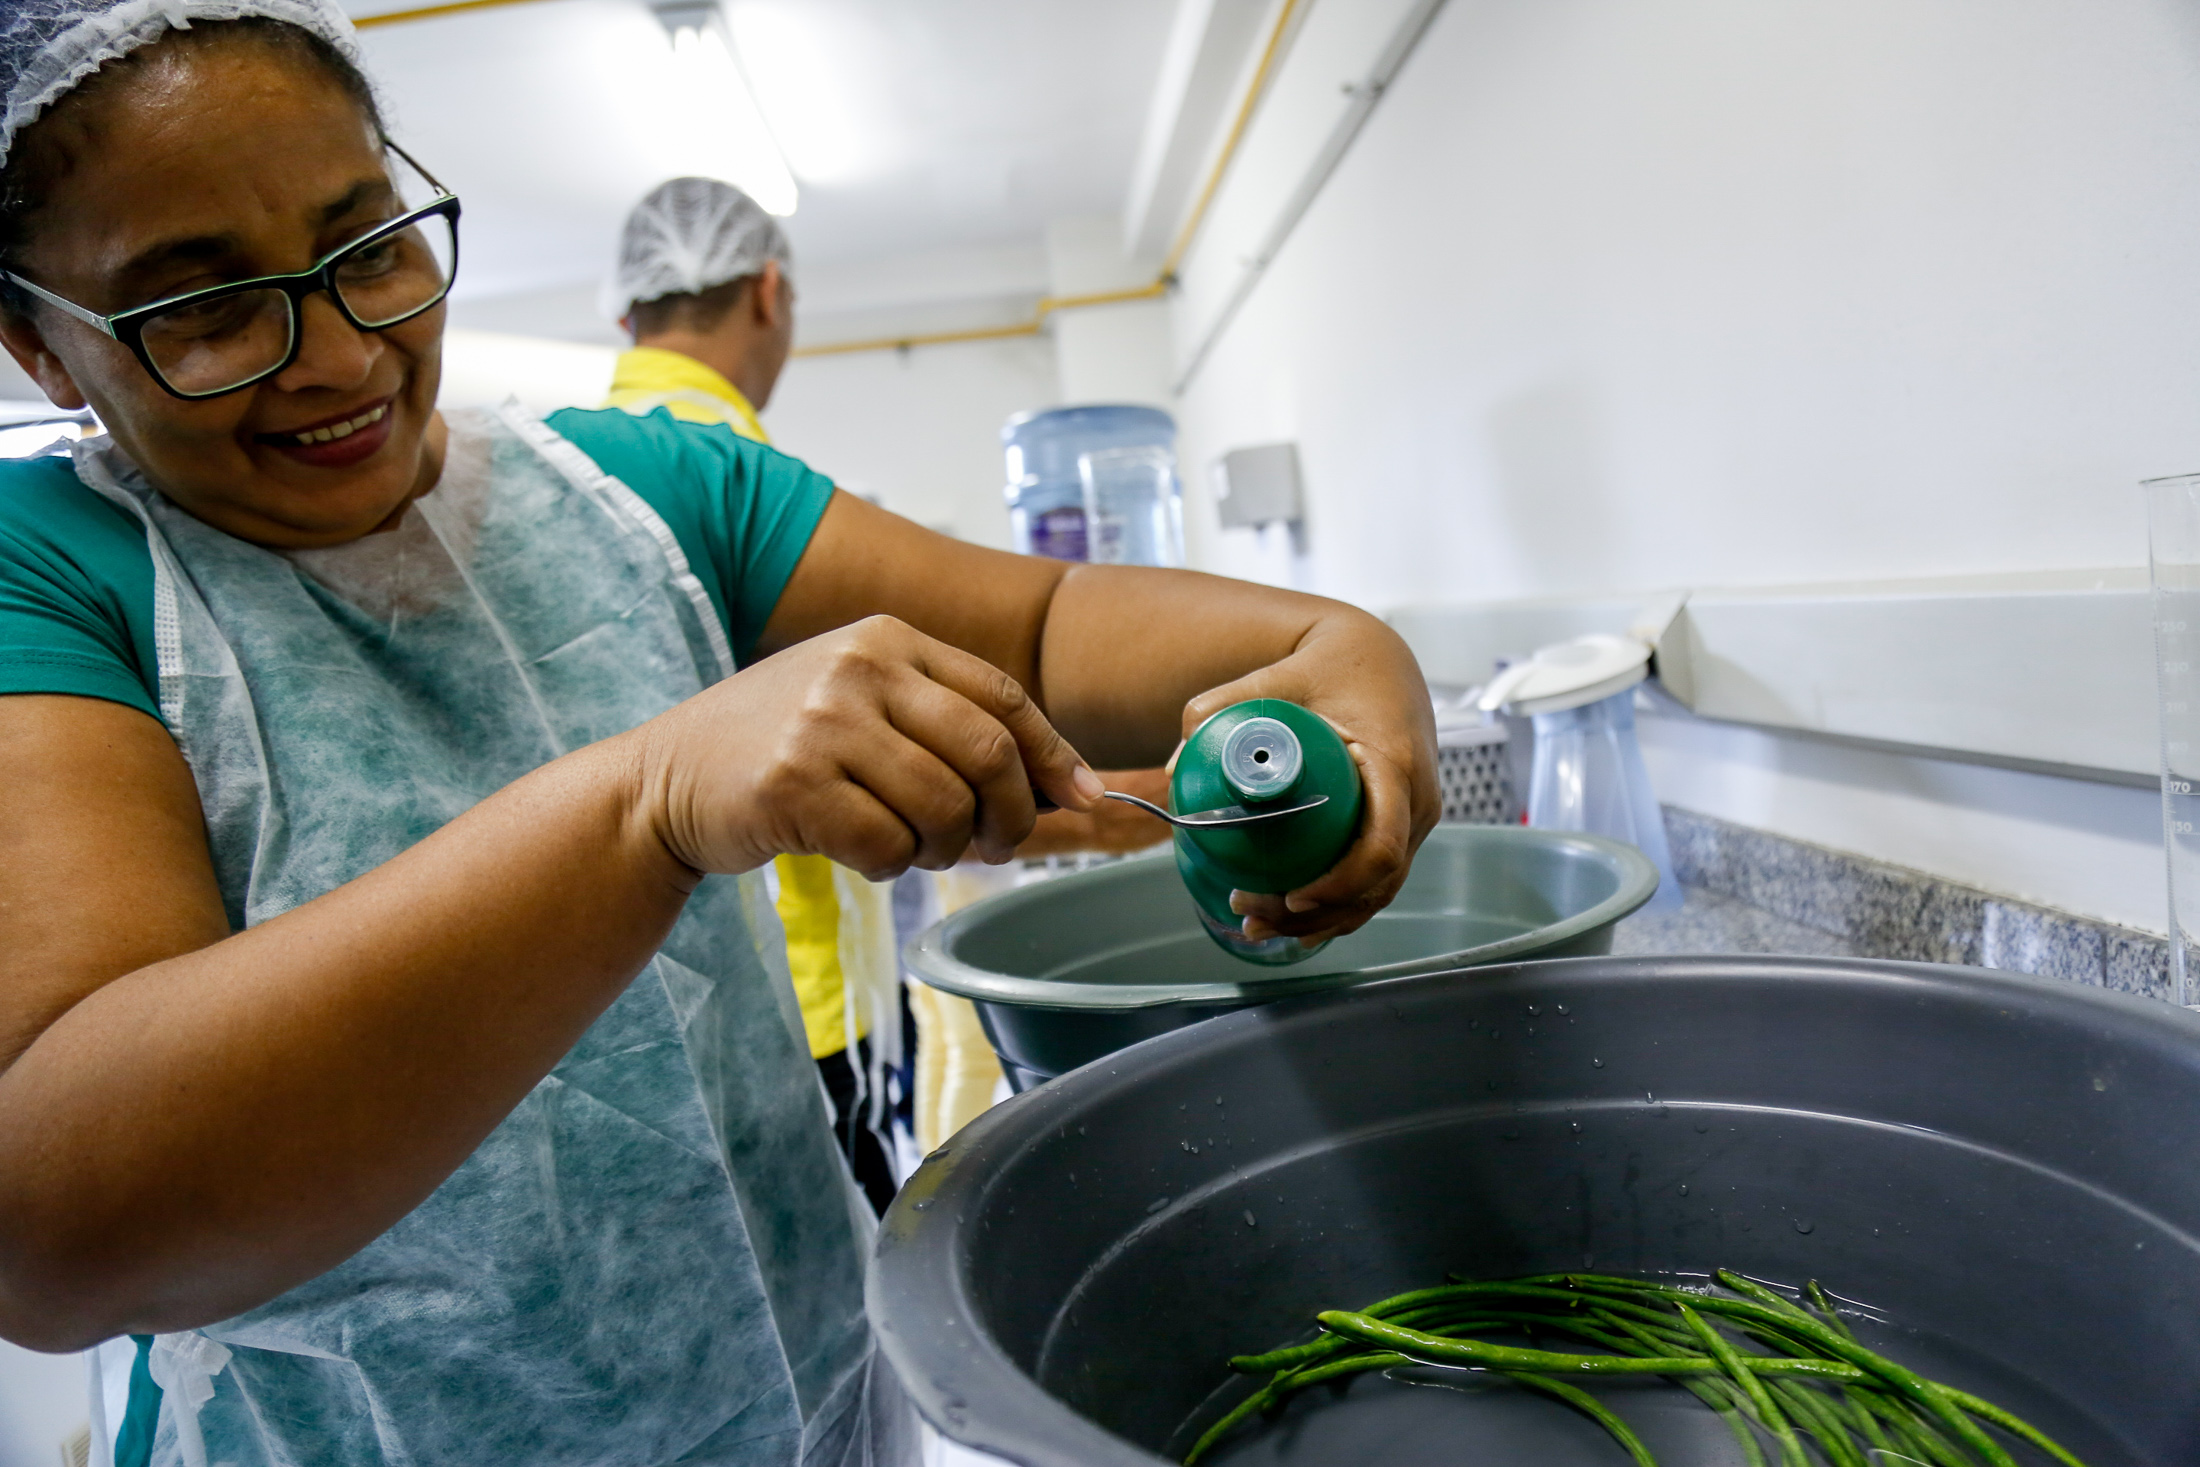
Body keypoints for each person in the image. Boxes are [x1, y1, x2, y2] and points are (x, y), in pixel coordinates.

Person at [0, 5, 1439, 1467]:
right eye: (204, 306)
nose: (334, 355)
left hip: (798, 1405)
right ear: (36, 343)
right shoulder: (44, 574)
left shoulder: (650, 495)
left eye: (368, 246)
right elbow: (57, 1231)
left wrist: (1326, 644)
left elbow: (1054, 621)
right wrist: (648, 799)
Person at [600, 178, 1171, 1185]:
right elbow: (999, 668)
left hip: (643, 1011)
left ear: (623, 315)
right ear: (771, 292)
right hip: (792, 998)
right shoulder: (725, 474)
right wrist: (1134, 806)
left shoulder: (573, 474)